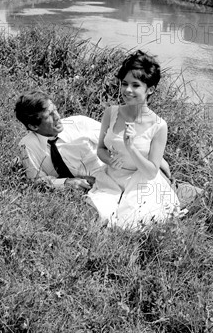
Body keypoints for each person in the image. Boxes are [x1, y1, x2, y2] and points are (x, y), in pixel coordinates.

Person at [86, 50, 181, 229]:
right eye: (124, 84)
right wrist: (109, 160)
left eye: (136, 85)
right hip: (111, 177)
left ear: (150, 89)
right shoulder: (111, 112)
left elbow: (151, 172)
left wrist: (132, 148)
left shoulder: (159, 126)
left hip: (141, 180)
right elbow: (100, 149)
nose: (127, 90)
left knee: (130, 225)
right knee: (101, 215)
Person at [15, 91, 104, 190]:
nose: (57, 117)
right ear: (34, 126)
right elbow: (36, 180)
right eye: (49, 115)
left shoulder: (79, 124)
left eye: (55, 110)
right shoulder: (28, 145)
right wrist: (66, 183)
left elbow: (115, 141)